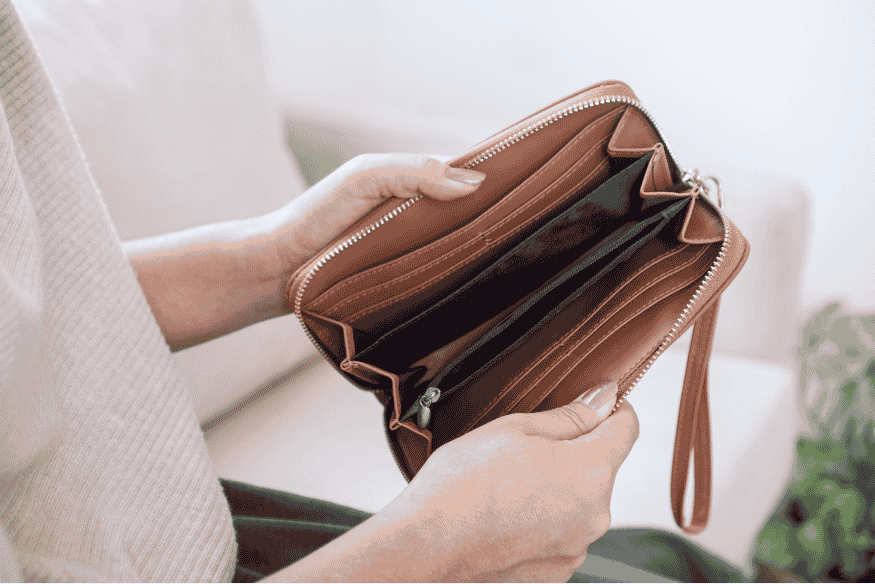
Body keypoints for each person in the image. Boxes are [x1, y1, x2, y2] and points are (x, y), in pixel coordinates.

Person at [0, 0, 751, 580]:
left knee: (664, 560)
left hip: (167, 517)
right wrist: (430, 550)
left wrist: (278, 258)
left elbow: (25, 307)